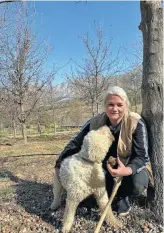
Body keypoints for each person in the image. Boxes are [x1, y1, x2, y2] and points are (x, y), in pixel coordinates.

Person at [55, 86, 154, 216]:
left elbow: (142, 156)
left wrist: (127, 170)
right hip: (103, 167)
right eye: (110, 104)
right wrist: (59, 163)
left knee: (138, 183)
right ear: (105, 106)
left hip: (129, 167)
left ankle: (123, 196)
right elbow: (75, 143)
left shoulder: (135, 122)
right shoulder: (95, 121)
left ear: (126, 105)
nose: (115, 109)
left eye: (119, 105)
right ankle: (101, 194)